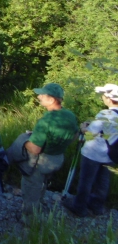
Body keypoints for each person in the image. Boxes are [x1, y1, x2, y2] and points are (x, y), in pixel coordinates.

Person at [12, 83, 78, 217]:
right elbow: (75, 135)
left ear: (52, 99)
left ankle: (29, 219)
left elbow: (35, 149)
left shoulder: (46, 121)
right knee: (44, 183)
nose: (39, 96)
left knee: (31, 188)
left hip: (42, 162)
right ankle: (40, 204)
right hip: (58, 158)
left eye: (42, 95)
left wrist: (25, 141)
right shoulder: (69, 115)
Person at [62, 83, 118, 217]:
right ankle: (97, 206)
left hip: (94, 153)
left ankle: (79, 206)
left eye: (104, 95)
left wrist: (83, 127)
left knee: (86, 181)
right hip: (111, 154)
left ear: (109, 99)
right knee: (103, 182)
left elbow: (89, 131)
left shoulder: (106, 114)